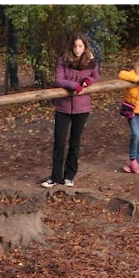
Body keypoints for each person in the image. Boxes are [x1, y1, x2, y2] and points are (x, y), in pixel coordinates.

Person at [44, 36, 97, 188]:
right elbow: (59, 79)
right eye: (75, 46)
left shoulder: (91, 61)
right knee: (59, 142)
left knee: (75, 142)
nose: (78, 49)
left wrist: (87, 82)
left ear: (85, 47)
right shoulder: (64, 60)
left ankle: (69, 175)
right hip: (63, 107)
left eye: (80, 46)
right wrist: (75, 86)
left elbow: (95, 77)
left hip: (82, 107)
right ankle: (55, 176)